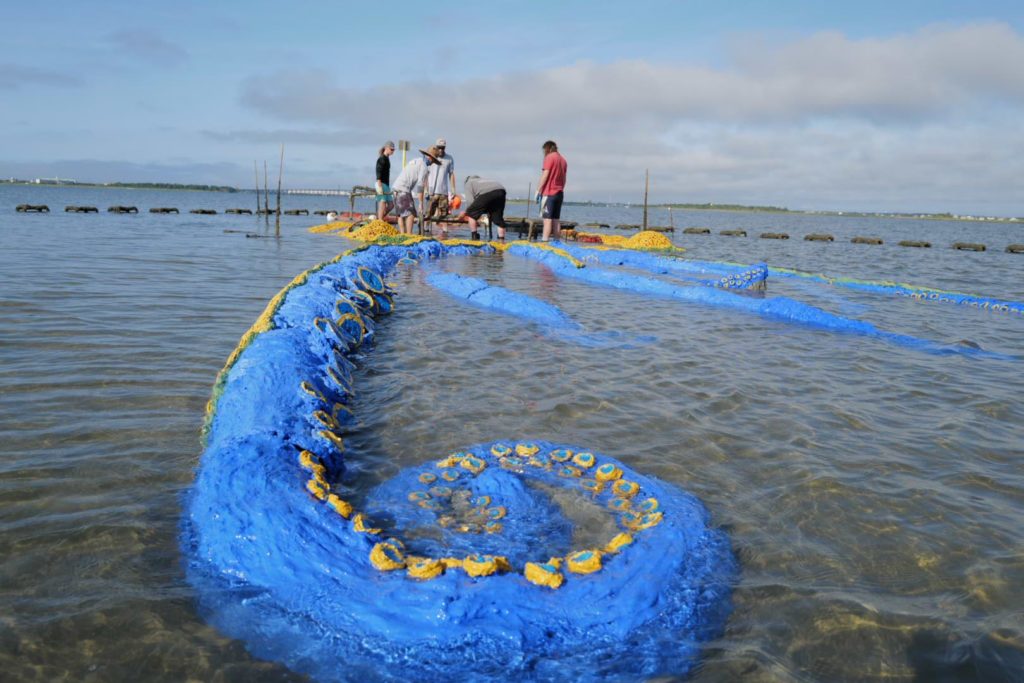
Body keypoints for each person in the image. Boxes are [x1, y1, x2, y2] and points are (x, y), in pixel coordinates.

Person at [391, 148, 440, 234]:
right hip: (403, 189)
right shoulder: (424, 166)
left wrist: (426, 192)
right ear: (431, 158)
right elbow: (420, 186)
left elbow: (423, 181)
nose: (432, 164)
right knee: (411, 213)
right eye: (433, 161)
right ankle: (409, 236)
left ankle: (402, 235)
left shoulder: (417, 160)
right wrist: (421, 203)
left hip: (396, 187)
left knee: (400, 214)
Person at [536, 140, 567, 241]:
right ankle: (557, 242)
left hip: (549, 193)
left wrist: (538, 190)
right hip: (559, 193)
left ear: (547, 149)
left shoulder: (549, 157)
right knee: (556, 220)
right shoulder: (563, 160)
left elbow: (545, 175)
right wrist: (561, 188)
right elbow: (564, 179)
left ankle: (544, 242)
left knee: (547, 220)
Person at [462, 175, 506, 241]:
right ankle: (501, 240)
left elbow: (470, 202)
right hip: (501, 191)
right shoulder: (482, 181)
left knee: (471, 213)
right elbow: (485, 203)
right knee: (498, 218)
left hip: (488, 192)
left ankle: (474, 237)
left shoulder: (468, 183)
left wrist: (467, 212)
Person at [425, 138, 456, 221]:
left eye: (443, 147)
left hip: (443, 192)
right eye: (439, 147)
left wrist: (453, 188)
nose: (441, 149)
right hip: (431, 192)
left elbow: (451, 174)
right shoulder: (430, 157)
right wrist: (425, 190)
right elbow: (425, 174)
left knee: (444, 215)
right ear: (436, 147)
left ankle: (444, 232)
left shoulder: (449, 158)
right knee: (428, 214)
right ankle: (425, 230)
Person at [375, 141, 396, 220]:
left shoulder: (387, 159)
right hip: (380, 183)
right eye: (391, 149)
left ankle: (379, 218)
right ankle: (380, 221)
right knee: (382, 202)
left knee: (391, 205)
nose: (393, 151)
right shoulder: (381, 158)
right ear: (386, 148)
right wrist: (379, 183)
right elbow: (378, 170)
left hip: (386, 184)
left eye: (393, 150)